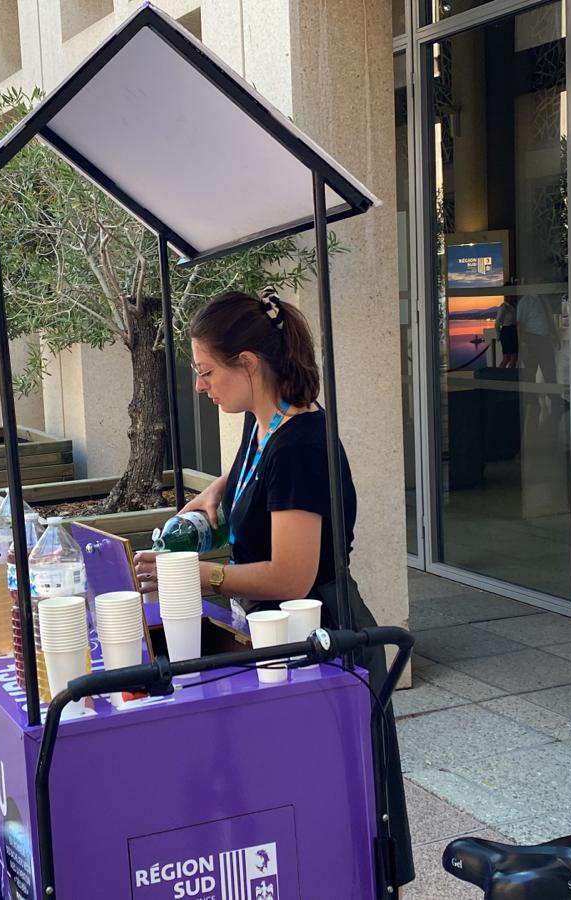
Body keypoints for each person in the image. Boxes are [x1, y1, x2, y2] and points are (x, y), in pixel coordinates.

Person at [131, 288, 416, 886]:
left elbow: (292, 574)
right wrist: (203, 508)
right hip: (277, 638)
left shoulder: (301, 444)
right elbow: (229, 488)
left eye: (208, 371)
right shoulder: (264, 427)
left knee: (336, 826)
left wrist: (194, 575)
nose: (202, 385)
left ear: (248, 364)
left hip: (322, 640)